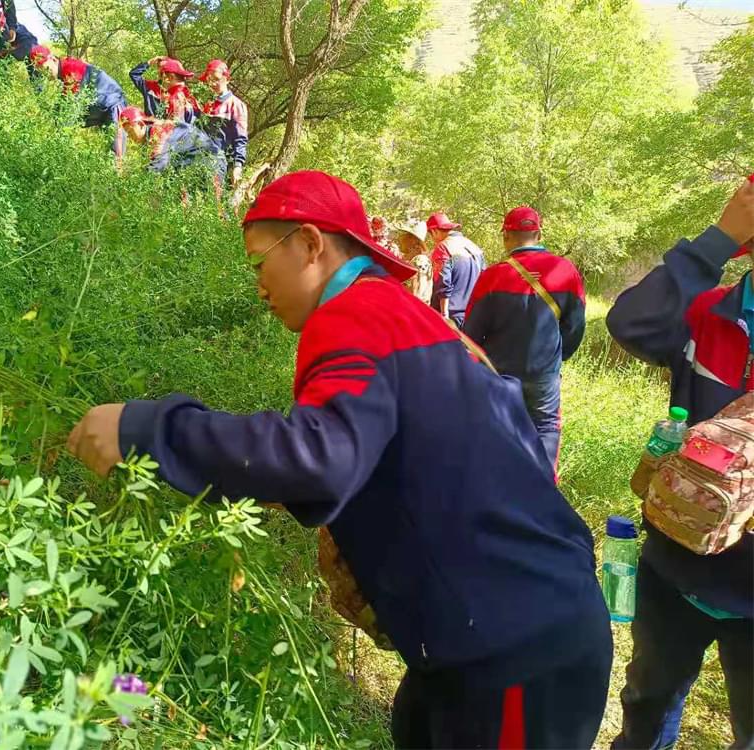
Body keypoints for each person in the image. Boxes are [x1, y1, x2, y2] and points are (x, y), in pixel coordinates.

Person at [67, 170, 613, 750]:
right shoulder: (401, 312)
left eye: (259, 263)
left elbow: (318, 457)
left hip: (515, 648)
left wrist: (148, 431)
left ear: (310, 243)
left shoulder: (353, 314)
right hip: (500, 626)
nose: (258, 286)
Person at [606, 177, 754, 750]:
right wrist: (716, 240)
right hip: (676, 564)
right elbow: (631, 324)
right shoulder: (709, 312)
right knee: (647, 704)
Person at [463, 206, 585, 470]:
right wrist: (555, 358)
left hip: (499, 373)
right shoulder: (565, 271)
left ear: (506, 236)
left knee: (498, 429)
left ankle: (497, 484)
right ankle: (542, 488)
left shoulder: (493, 276)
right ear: (539, 234)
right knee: (545, 427)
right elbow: (575, 327)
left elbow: (470, 336)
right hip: (543, 373)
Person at [29, 46, 127, 130]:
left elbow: (68, 111)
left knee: (117, 145)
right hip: (103, 110)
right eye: (41, 71)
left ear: (53, 59)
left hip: (114, 104)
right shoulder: (65, 70)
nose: (45, 74)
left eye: (46, 69)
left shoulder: (71, 70)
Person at [428, 212, 485, 327]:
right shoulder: (474, 247)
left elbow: (443, 283)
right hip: (474, 315)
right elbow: (484, 278)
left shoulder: (443, 247)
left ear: (434, 231)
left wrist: (444, 314)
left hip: (451, 315)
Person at [197, 60, 248, 189]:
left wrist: (238, 166)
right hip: (199, 161)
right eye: (209, 80)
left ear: (227, 79)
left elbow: (240, 138)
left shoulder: (236, 105)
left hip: (218, 162)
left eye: (216, 79)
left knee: (213, 198)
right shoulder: (208, 105)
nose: (212, 84)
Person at [129, 57, 199, 123]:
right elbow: (134, 75)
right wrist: (149, 62)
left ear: (170, 77)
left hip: (163, 129)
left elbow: (179, 125)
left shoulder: (181, 95)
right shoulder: (151, 87)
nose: (159, 74)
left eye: (161, 73)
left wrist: (154, 121)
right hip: (153, 128)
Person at [397, 219, 433, 305]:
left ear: (412, 239)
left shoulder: (420, 260)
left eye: (405, 234)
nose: (400, 237)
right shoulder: (412, 260)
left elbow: (416, 294)